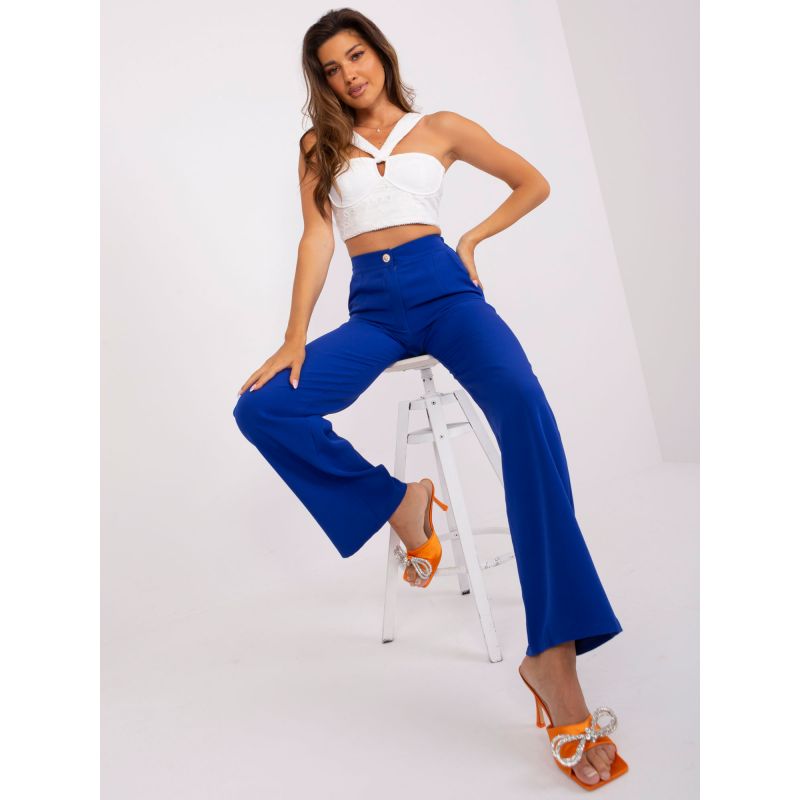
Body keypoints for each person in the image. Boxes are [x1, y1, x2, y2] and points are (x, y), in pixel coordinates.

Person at [233, 8, 628, 790]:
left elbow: (532, 181)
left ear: (380, 55)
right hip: (375, 309)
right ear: (323, 81)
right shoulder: (320, 146)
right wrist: (294, 337)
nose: (349, 74)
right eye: (332, 67)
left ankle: (553, 658)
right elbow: (317, 238)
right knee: (264, 407)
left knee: (526, 412)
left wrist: (472, 240)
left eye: (357, 56)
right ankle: (402, 504)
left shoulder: (440, 127)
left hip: (447, 294)